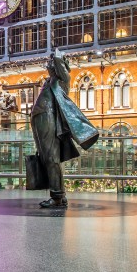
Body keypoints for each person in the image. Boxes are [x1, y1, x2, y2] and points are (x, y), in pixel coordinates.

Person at [30, 48, 99, 208]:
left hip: (49, 119)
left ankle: (57, 197)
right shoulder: (50, 81)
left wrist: (57, 55)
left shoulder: (62, 79)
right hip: (42, 120)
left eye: (51, 63)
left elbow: (60, 64)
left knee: (51, 158)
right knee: (48, 157)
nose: (48, 64)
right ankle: (60, 195)